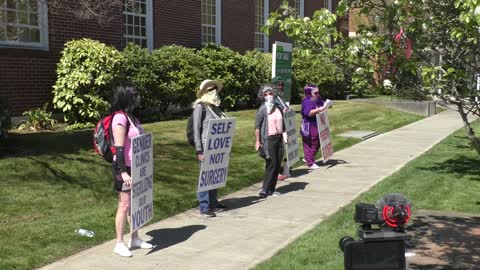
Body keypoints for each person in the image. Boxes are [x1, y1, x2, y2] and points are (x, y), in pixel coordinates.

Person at [111, 85, 153, 257]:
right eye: (134, 95)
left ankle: (134, 238)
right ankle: (119, 242)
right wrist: (123, 173)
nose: (138, 98)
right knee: (125, 204)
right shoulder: (119, 119)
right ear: (126, 97)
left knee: (135, 204)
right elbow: (119, 148)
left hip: (137, 165)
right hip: (125, 167)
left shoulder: (132, 117)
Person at [193, 79, 228, 218]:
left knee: (215, 175)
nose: (213, 91)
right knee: (205, 176)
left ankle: (213, 202)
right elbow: (196, 130)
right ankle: (204, 206)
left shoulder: (215, 108)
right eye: (210, 89)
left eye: (214, 88)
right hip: (206, 147)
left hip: (217, 147)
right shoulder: (200, 107)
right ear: (204, 92)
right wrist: (199, 150)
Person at [255, 84, 286, 198]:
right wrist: (258, 141)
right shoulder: (263, 109)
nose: (269, 96)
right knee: (271, 164)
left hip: (279, 138)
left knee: (278, 164)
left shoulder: (278, 107)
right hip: (269, 139)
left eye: (270, 93)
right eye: (266, 94)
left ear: (274, 94)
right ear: (263, 96)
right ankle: (264, 189)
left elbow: (283, 124)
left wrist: (285, 135)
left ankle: (272, 189)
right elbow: (257, 126)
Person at [300, 84, 327, 169]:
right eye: (316, 93)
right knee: (311, 143)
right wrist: (319, 110)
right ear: (309, 93)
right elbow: (308, 113)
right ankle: (310, 162)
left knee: (319, 142)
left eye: (318, 92)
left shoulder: (317, 99)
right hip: (309, 124)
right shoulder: (306, 101)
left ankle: (308, 158)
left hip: (318, 123)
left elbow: (322, 105)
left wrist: (327, 105)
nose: (318, 94)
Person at [271, 76, 289, 181]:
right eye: (279, 85)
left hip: (283, 126)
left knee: (281, 150)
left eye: (282, 85)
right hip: (275, 129)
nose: (281, 87)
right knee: (275, 152)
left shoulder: (280, 98)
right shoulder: (273, 99)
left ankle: (280, 169)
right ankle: (275, 173)